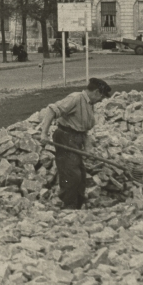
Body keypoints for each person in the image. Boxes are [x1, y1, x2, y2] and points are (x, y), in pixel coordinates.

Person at [38, 78, 113, 210]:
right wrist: (44, 133)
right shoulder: (75, 98)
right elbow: (51, 110)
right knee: (71, 175)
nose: (101, 100)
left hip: (77, 139)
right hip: (65, 137)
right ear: (96, 92)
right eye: (101, 96)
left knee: (81, 176)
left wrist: (88, 148)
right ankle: (68, 208)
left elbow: (85, 130)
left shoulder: (89, 104)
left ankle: (78, 207)